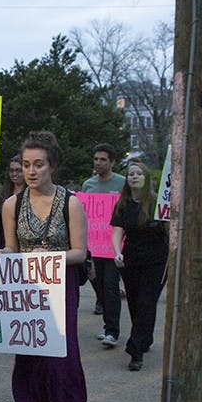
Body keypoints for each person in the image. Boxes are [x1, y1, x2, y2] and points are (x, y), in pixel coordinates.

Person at [0, 131, 88, 402]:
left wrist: (50, 258)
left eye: (38, 164)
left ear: (52, 166)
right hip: (26, 288)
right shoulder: (12, 205)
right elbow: (12, 248)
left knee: (58, 353)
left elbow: (80, 252)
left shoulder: (70, 203)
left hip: (60, 285)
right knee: (29, 352)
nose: (31, 171)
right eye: (27, 164)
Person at [110, 161, 168, 371]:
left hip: (157, 260)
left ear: (146, 178)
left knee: (146, 301)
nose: (133, 177)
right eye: (130, 174)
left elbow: (169, 229)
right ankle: (145, 337)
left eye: (138, 174)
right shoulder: (122, 205)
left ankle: (135, 350)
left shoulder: (157, 203)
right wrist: (117, 252)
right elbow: (117, 232)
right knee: (135, 303)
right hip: (131, 259)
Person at [80, 143, 125, 345]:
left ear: (112, 162)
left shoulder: (122, 183)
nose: (98, 163)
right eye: (96, 159)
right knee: (98, 284)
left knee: (110, 286)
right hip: (94, 246)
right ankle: (108, 324)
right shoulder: (88, 185)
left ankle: (112, 330)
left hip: (113, 246)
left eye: (103, 159)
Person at [0, 155, 24, 248]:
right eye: (11, 170)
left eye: (18, 170)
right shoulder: (3, 193)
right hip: (3, 243)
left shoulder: (31, 194)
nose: (14, 174)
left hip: (22, 244)